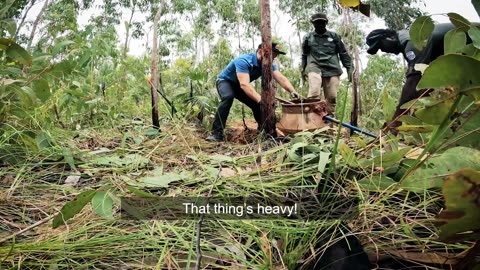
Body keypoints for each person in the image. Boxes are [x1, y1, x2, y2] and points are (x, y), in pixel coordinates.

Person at [365, 23, 470, 134]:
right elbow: (426, 85)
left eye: (381, 46)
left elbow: (414, 82)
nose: (383, 50)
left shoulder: (412, 42)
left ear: (389, 38)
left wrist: (396, 120)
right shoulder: (409, 38)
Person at [206, 42, 299, 142]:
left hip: (239, 86)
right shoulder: (244, 61)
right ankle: (216, 133)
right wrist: (260, 99)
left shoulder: (268, 64)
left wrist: (292, 91)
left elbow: (281, 78)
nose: (272, 59)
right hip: (225, 81)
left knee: (257, 105)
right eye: (271, 56)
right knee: (228, 97)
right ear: (260, 52)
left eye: (274, 57)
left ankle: (264, 131)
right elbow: (244, 84)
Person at [301, 13, 354, 115]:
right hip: (314, 66)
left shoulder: (334, 37)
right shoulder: (308, 37)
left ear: (326, 23)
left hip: (332, 68)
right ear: (313, 24)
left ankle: (330, 121)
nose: (320, 24)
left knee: (332, 97)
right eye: (317, 22)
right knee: (314, 92)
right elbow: (304, 54)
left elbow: (343, 53)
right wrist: (303, 69)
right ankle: (312, 119)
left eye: (322, 22)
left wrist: (350, 68)